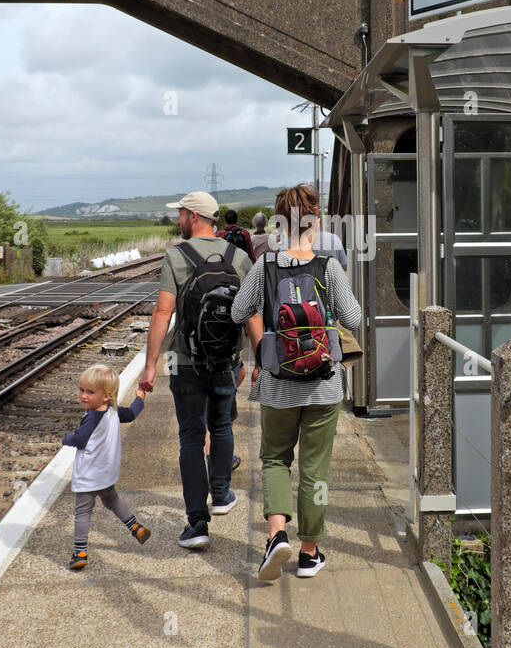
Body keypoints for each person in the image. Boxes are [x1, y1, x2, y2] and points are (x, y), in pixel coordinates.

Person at [232, 183, 361, 580]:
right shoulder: (328, 267)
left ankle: (276, 535)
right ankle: (309, 553)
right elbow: (354, 320)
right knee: (314, 468)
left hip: (278, 385)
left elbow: (239, 312)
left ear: (279, 224)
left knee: (274, 458)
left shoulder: (264, 266)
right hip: (323, 385)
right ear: (315, 220)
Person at [140, 191, 255, 550]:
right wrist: (252, 361)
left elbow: (163, 313)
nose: (178, 220)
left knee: (191, 436)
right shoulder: (239, 257)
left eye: (181, 215)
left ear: (193, 216)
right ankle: (220, 495)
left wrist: (150, 364)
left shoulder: (176, 256)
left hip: (186, 361)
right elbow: (250, 313)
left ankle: (197, 524)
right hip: (225, 361)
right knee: (221, 426)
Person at [61, 364, 149, 569]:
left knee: (83, 512)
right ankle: (135, 526)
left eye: (90, 392)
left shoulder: (91, 417)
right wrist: (140, 397)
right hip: (106, 473)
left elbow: (80, 440)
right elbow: (133, 413)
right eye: (81, 390)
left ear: (106, 395)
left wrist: (66, 439)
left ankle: (80, 552)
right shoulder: (114, 411)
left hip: (89, 475)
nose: (83, 396)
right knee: (112, 500)